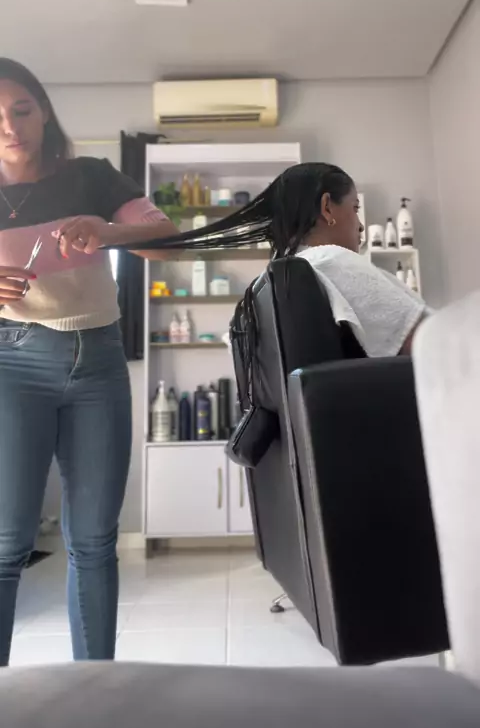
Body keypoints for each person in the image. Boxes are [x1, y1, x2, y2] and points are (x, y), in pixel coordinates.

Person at [0, 58, 178, 667]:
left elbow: (165, 236)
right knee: (7, 543)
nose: (11, 127)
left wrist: (107, 231)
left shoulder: (91, 176)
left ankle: (95, 689)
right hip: (13, 365)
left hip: (99, 363)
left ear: (44, 111)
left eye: (21, 109)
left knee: (96, 543)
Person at [123, 162, 427, 358]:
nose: (360, 226)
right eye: (354, 208)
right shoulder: (334, 262)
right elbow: (430, 346)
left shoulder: (268, 282)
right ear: (327, 208)